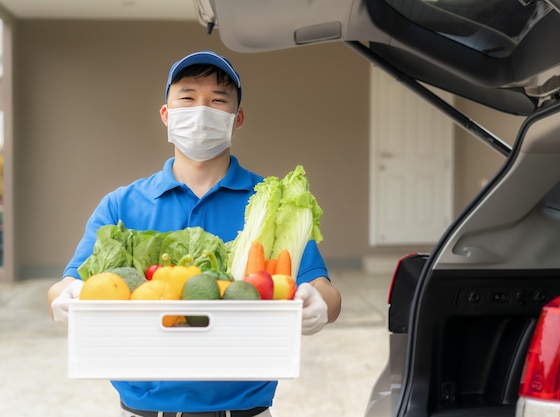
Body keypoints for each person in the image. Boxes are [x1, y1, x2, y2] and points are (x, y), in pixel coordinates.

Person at [47, 50, 342, 417]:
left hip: (244, 409)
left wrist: (319, 305)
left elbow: (325, 290)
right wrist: (67, 298)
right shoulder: (122, 205)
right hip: (142, 410)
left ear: (238, 119)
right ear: (167, 115)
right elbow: (65, 286)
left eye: (218, 101)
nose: (201, 111)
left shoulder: (271, 203)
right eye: (187, 98)